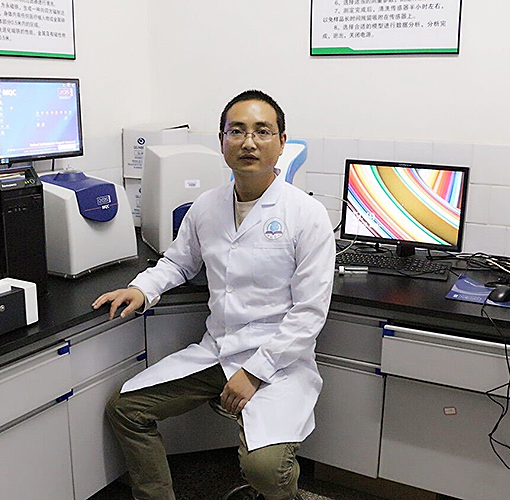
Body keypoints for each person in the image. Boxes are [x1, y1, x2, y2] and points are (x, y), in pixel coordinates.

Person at [94, 90, 335, 500]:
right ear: (222, 141)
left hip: (278, 362)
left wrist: (254, 373)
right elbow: (178, 262)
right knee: (126, 409)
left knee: (265, 471)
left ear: (281, 142)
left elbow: (309, 313)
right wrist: (141, 288)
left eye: (262, 131)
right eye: (236, 131)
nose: (249, 142)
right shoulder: (206, 207)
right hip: (219, 351)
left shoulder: (306, 214)